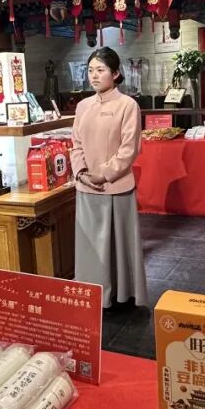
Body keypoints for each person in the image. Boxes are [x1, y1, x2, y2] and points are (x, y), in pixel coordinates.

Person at [71, 47, 147, 310]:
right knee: (90, 246)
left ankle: (121, 294)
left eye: (100, 70)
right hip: (85, 186)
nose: (94, 75)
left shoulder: (128, 105)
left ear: (115, 74)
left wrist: (103, 174)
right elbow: (75, 144)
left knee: (118, 246)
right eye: (90, 70)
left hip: (115, 187)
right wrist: (81, 172)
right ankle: (92, 294)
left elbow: (129, 149)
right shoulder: (82, 106)